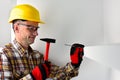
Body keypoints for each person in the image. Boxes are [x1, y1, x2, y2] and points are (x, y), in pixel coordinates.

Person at [0, 4, 84, 80]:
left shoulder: (37, 56)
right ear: (16, 28)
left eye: (36, 28)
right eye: (31, 28)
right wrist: (33, 77)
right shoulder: (4, 55)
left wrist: (74, 64)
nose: (36, 33)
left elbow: (59, 75)